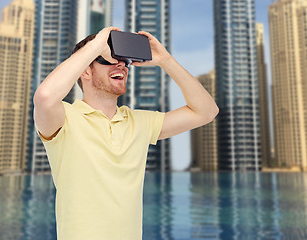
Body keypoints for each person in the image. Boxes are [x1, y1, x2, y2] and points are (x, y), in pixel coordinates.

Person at [33, 26, 219, 240]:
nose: (121, 64)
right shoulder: (64, 119)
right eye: (109, 59)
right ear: (85, 70)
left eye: (124, 61)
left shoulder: (139, 122)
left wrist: (166, 61)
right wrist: (95, 45)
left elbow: (206, 111)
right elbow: (45, 97)